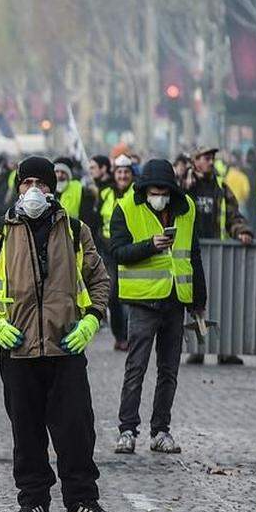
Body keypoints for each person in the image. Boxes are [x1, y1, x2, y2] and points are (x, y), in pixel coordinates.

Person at [0, 156, 111, 512]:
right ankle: (34, 500)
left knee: (76, 433)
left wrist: (91, 320)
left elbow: (100, 280)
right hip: (18, 352)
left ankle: (83, 499)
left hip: (65, 350)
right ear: (17, 186)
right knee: (26, 436)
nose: (34, 191)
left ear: (52, 190)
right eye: (27, 184)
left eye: (41, 184)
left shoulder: (74, 230)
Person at [110, 159, 208, 455]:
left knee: (169, 371)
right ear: (144, 189)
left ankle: (160, 431)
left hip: (176, 300)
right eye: (154, 190)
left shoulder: (186, 208)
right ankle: (127, 430)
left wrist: (198, 302)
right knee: (136, 368)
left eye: (164, 191)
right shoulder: (126, 207)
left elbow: (194, 254)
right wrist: (150, 245)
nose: (159, 195)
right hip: (142, 302)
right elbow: (117, 252)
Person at [183, 146, 252, 365]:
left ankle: (225, 350)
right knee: (197, 304)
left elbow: (234, 216)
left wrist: (242, 231)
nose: (211, 161)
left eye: (212, 158)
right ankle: (198, 349)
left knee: (225, 302)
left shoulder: (221, 188)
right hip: (191, 254)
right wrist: (183, 188)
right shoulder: (184, 187)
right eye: (205, 158)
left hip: (219, 254)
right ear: (195, 161)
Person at [99, 155, 135, 350]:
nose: (122, 176)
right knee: (111, 295)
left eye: (126, 172)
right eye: (119, 172)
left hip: (129, 249)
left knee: (129, 296)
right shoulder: (105, 193)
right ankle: (119, 336)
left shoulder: (137, 194)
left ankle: (130, 336)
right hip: (108, 251)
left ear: (131, 174)